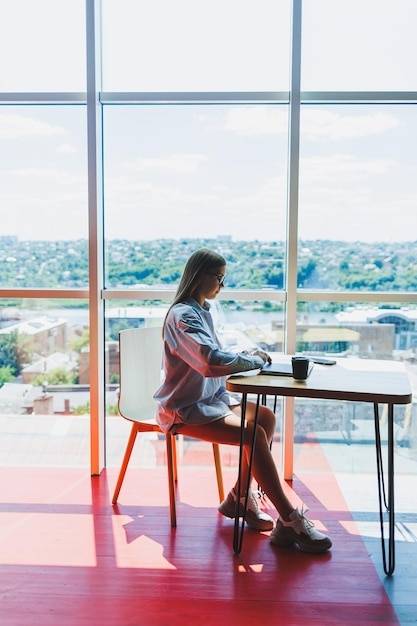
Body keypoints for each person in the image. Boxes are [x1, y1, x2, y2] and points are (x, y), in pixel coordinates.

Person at [154, 248, 332, 553]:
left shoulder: (202, 310)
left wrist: (246, 357)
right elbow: (209, 360)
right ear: (201, 276)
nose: (223, 285)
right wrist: (253, 362)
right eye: (220, 278)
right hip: (184, 409)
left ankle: (240, 497)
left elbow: (213, 357)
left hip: (209, 399)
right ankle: (289, 519)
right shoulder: (183, 315)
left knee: (265, 418)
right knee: (252, 434)